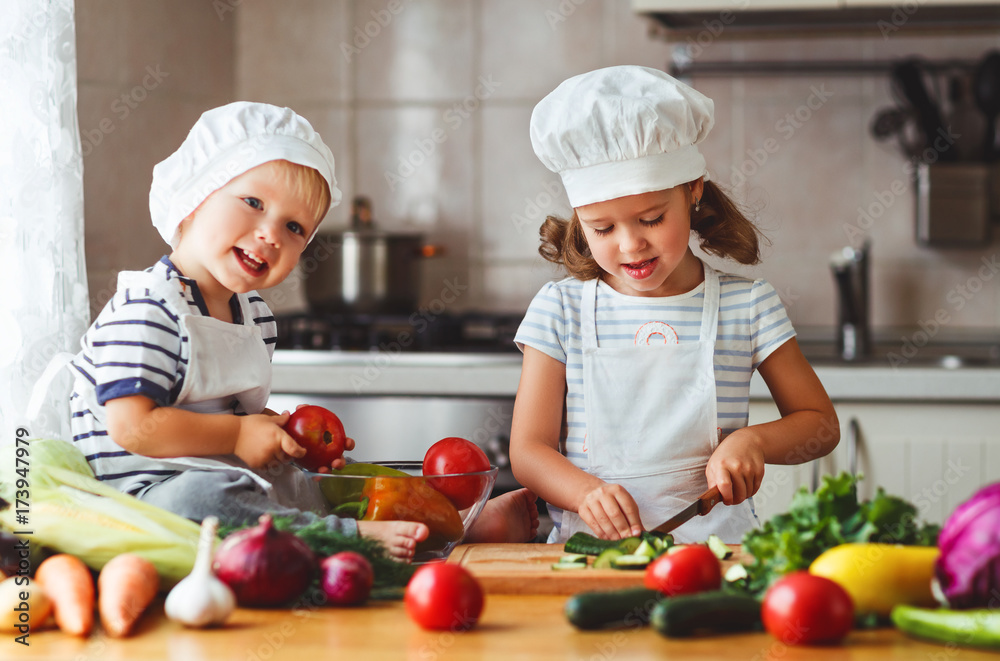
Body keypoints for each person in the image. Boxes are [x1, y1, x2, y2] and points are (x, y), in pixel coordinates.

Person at [67, 102, 537, 561]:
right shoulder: (148, 308)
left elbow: (228, 406)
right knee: (204, 499)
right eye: (253, 203)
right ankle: (349, 536)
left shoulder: (252, 314)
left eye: (294, 227)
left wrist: (283, 435)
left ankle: (455, 524)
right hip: (147, 496)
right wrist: (234, 437)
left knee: (321, 479)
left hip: (226, 471)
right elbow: (132, 426)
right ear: (194, 196)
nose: (272, 234)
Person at [510, 66, 839, 545]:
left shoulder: (746, 305)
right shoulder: (560, 310)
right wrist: (584, 493)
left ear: (693, 189)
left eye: (651, 218)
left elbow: (820, 424)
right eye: (602, 228)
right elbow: (528, 450)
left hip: (719, 556)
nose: (630, 245)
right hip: (591, 559)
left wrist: (753, 441)